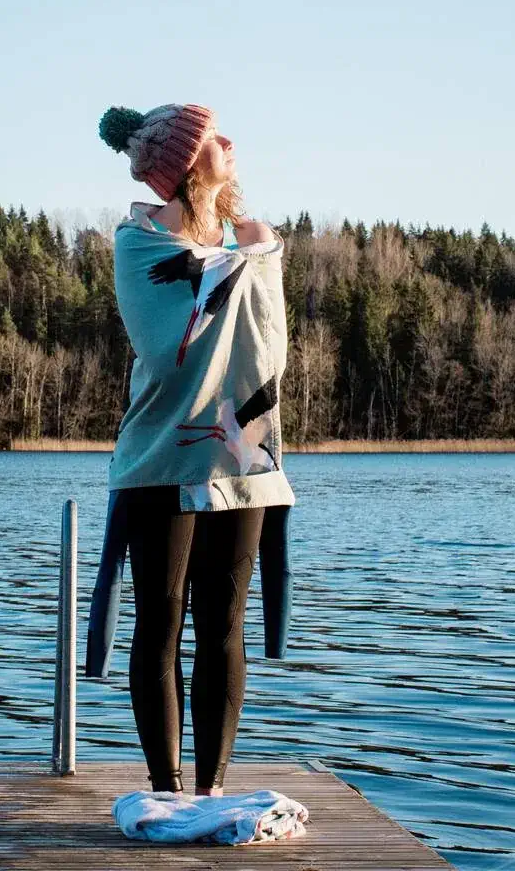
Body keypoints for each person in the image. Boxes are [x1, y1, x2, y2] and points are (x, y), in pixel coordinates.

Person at [96, 102, 297, 798]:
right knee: (159, 620)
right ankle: (165, 788)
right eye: (213, 138)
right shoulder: (139, 243)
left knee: (223, 627)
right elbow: (169, 344)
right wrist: (249, 261)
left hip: (243, 455)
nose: (231, 143)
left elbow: (270, 351)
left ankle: (209, 792)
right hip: (162, 452)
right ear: (184, 167)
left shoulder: (251, 243)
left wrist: (259, 256)